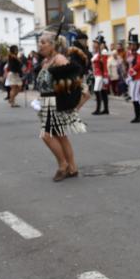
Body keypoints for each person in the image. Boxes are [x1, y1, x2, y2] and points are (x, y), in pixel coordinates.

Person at [36, 26, 86, 182]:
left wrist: (71, 102)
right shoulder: (46, 61)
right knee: (61, 136)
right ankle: (73, 168)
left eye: (44, 42)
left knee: (46, 136)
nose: (40, 45)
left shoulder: (59, 59)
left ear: (53, 45)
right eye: (39, 42)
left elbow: (73, 79)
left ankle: (62, 165)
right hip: (47, 102)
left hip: (55, 102)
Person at [127, 29, 140, 123]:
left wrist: (132, 70)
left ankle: (138, 116)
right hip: (134, 77)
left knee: (135, 96)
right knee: (138, 97)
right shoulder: (133, 52)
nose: (130, 46)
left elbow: (139, 64)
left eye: (132, 44)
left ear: (135, 44)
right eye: (130, 44)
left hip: (138, 77)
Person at [91, 34, 110, 115]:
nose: (94, 44)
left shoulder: (103, 52)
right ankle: (105, 109)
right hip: (97, 74)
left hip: (100, 75)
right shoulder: (97, 52)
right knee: (103, 91)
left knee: (96, 90)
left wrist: (105, 76)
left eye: (96, 43)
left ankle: (98, 109)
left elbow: (105, 65)